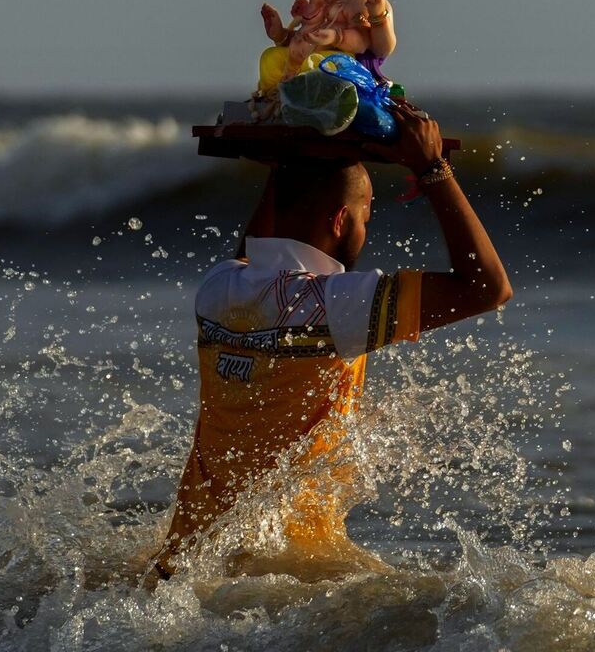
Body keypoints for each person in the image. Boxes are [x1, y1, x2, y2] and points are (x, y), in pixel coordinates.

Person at [150, 102, 511, 582]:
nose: (366, 230)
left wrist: (287, 158)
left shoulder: (217, 288)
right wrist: (432, 169)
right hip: (278, 580)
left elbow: (256, 252)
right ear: (341, 221)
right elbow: (489, 288)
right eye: (365, 218)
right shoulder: (333, 305)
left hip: (186, 565)